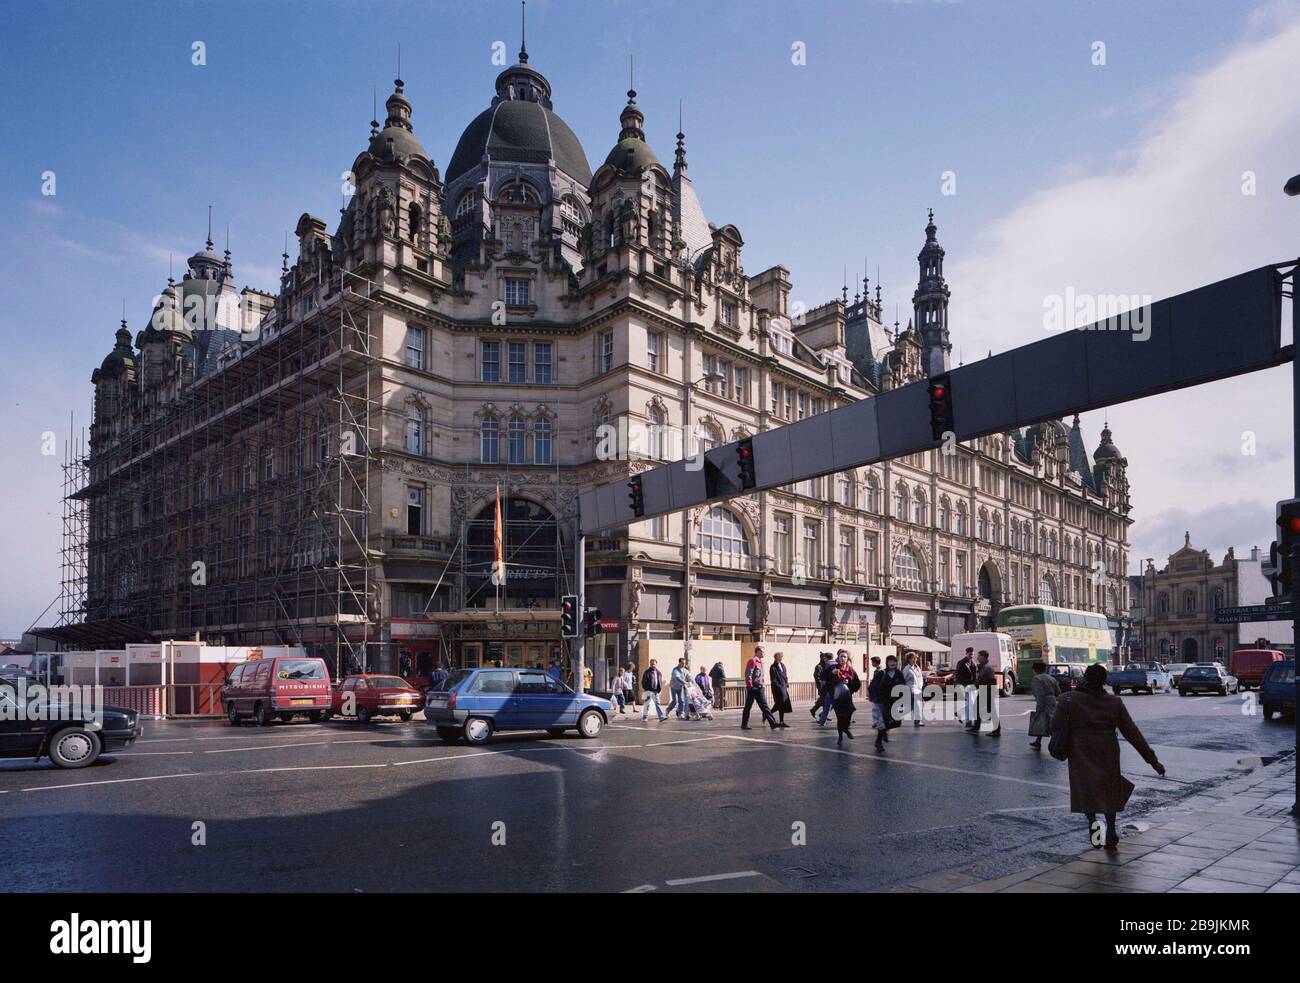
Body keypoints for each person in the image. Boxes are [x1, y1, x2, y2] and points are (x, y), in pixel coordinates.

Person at [1050, 663, 1165, 849]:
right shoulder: (1114, 702)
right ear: (1105, 681)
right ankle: (1111, 829)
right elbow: (1132, 733)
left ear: (1085, 678)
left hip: (1081, 751)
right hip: (1107, 749)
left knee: (1087, 791)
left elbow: (1053, 726)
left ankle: (1095, 831)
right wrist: (1153, 761)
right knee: (1109, 790)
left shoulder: (1068, 699)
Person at [869, 654, 907, 751]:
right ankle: (879, 743)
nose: (892, 663)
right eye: (890, 661)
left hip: (896, 702)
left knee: (897, 723)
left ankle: (884, 731)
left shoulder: (899, 674)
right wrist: (874, 698)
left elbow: (903, 688)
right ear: (887, 663)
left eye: (894, 661)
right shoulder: (882, 673)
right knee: (884, 721)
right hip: (883, 701)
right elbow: (872, 686)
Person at [741, 647, 781, 730]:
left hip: (760, 688)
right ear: (757, 652)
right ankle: (744, 724)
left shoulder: (761, 662)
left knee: (765, 706)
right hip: (753, 688)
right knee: (748, 706)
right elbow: (748, 674)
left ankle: (772, 723)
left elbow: (761, 676)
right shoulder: (753, 660)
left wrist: (762, 685)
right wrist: (750, 686)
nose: (764, 654)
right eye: (762, 652)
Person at [829, 650, 860, 745]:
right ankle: (840, 737)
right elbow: (824, 678)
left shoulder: (850, 669)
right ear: (838, 658)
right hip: (837, 697)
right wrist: (832, 674)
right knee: (840, 717)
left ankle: (845, 729)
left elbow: (857, 683)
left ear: (847, 659)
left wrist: (849, 682)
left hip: (847, 697)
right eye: (841, 656)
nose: (843, 658)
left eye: (845, 657)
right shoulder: (833, 668)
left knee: (848, 715)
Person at [1028, 660, 1060, 750]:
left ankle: (1057, 741)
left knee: (1046, 721)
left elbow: (1040, 694)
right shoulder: (1051, 678)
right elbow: (1058, 691)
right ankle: (1038, 741)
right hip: (1052, 700)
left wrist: (1040, 706)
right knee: (1045, 721)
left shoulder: (1037, 679)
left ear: (1035, 670)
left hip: (1044, 701)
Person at [969, 650, 1001, 737]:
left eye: (979, 656)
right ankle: (977, 727)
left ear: (983, 657)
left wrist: (972, 687)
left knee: (990, 710)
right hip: (986, 690)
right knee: (980, 708)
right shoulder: (985, 666)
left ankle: (996, 730)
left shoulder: (986, 667)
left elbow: (980, 679)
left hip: (987, 690)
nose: (977, 658)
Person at [954, 647, 977, 728]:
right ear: (966, 653)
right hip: (964, 685)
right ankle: (968, 720)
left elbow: (975, 675)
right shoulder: (961, 663)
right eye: (970, 654)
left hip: (971, 685)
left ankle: (962, 715)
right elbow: (958, 676)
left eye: (972, 654)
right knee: (971, 702)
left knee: (971, 702)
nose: (971, 656)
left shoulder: (973, 662)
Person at [810, 651, 835, 727]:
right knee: (825, 701)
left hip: (827, 687)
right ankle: (821, 715)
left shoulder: (827, 665)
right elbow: (817, 677)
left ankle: (819, 713)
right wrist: (821, 686)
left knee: (825, 701)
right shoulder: (819, 666)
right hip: (823, 687)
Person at [902, 652, 926, 727]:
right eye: (913, 658)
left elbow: (920, 678)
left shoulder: (917, 667)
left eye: (915, 658)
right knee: (916, 706)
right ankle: (917, 721)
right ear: (909, 659)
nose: (915, 659)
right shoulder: (906, 669)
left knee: (911, 707)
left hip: (918, 689)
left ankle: (895, 716)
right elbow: (903, 680)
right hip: (911, 690)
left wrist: (921, 687)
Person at [769, 651, 793, 726]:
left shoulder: (782, 665)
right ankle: (768, 714)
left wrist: (786, 684)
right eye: (780, 656)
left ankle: (780, 720)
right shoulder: (773, 667)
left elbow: (785, 676)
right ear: (776, 657)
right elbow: (773, 679)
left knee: (780, 704)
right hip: (777, 689)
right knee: (780, 704)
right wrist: (779, 687)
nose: (781, 658)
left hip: (783, 687)